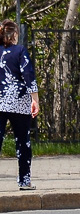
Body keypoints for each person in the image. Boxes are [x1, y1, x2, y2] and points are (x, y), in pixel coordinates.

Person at [0, 19, 38, 190]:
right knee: (23, 142)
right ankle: (24, 180)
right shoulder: (20, 50)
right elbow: (28, 74)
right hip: (19, 102)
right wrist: (35, 99)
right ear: (15, 34)